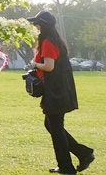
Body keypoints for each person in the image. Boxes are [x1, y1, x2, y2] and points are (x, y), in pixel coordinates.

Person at [28, 9, 95, 174]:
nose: (36, 26)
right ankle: (82, 154)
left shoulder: (48, 42)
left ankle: (68, 166)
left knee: (55, 127)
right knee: (52, 125)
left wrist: (34, 64)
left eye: (37, 24)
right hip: (59, 90)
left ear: (43, 25)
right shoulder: (55, 40)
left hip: (56, 92)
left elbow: (49, 66)